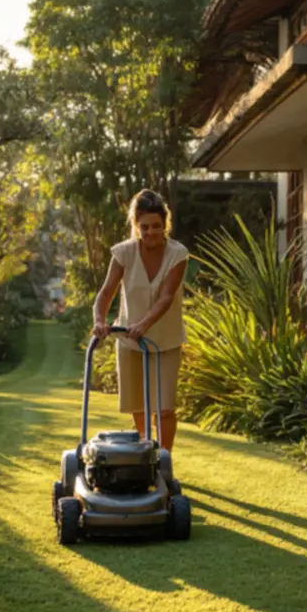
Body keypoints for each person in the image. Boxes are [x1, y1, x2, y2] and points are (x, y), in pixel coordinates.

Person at [91, 189, 189, 451]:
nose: (151, 232)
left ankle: (164, 462)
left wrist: (143, 325)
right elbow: (106, 291)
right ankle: (146, 455)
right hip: (130, 342)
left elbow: (166, 297)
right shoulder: (123, 253)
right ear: (136, 225)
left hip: (165, 341)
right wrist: (100, 320)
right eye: (144, 227)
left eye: (156, 226)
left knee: (165, 408)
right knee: (139, 406)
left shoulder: (177, 254)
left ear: (164, 224)